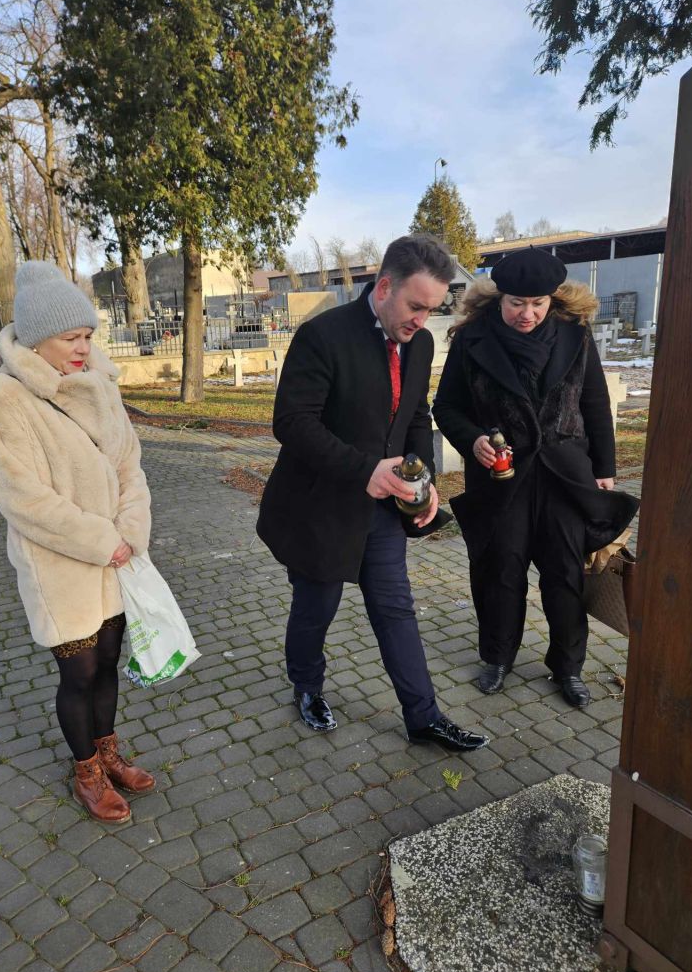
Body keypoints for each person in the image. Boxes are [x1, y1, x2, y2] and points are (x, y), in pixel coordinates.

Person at [257, 235, 489, 752]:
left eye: (432, 309)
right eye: (415, 306)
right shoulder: (322, 335)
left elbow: (415, 419)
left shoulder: (420, 344)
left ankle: (423, 716)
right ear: (384, 287)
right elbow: (291, 423)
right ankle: (308, 686)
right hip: (321, 506)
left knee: (395, 608)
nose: (422, 320)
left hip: (382, 509)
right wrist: (364, 469)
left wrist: (422, 480)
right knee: (316, 608)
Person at [0, 261, 155, 824]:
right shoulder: (2, 398)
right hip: (60, 562)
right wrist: (103, 538)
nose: (83, 348)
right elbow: (22, 496)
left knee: (108, 662)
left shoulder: (101, 384)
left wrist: (130, 529)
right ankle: (86, 772)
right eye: (70, 338)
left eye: (88, 336)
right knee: (77, 673)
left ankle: (108, 751)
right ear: (36, 338)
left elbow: (130, 463)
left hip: (115, 556)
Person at [432, 246, 639, 707]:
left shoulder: (575, 336)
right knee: (499, 570)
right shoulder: (472, 339)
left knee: (565, 574)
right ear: (500, 297)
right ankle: (498, 658)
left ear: (552, 299)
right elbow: (446, 406)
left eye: (538, 303)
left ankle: (568, 667)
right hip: (501, 478)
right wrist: (473, 440)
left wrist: (604, 469)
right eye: (517, 303)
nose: (527, 313)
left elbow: (594, 405)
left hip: (565, 477)